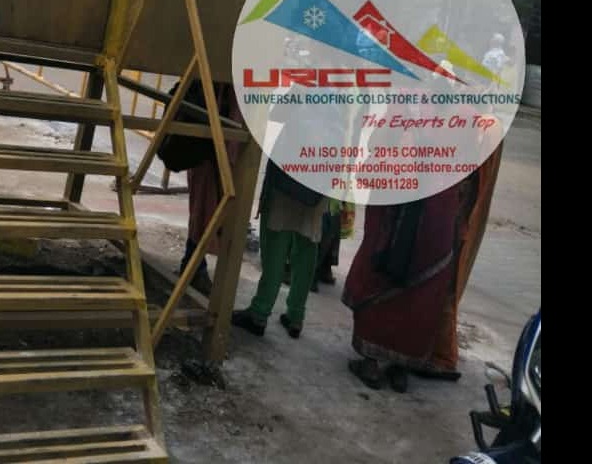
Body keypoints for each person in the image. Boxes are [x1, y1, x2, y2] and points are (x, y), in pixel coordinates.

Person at [341, 73, 504, 392]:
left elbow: (379, 147)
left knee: (379, 277)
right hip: (438, 216)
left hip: (396, 211)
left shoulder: (405, 106)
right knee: (421, 289)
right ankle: (400, 368)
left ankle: (372, 363)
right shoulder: (467, 119)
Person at [231, 158, 328, 339]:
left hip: (287, 177)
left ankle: (260, 312)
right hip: (320, 177)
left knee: (275, 244)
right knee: (306, 243)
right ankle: (296, 315)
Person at [175, 80, 244, 295]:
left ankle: (193, 263)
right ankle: (194, 265)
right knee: (204, 208)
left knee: (205, 208)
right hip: (211, 147)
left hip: (216, 144)